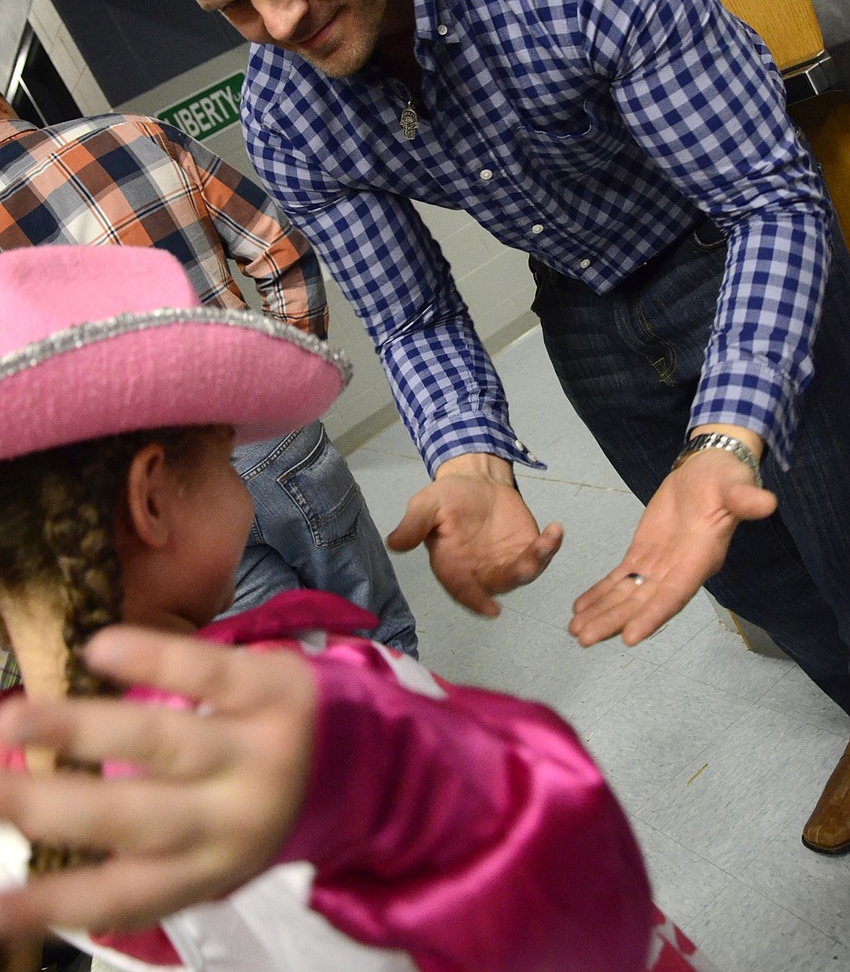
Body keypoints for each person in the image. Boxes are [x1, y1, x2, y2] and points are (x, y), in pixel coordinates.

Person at [130, 0, 850, 850]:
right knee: (752, 577)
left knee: (839, 536)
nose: (278, 20)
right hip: (585, 308)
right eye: (234, 3)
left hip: (730, 244)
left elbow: (767, 197)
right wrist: (468, 460)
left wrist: (726, 432)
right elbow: (414, 317)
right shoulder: (288, 110)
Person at [0, 243, 718, 972]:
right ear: (153, 498)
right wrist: (381, 764)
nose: (241, 490)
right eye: (224, 463)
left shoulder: (18, 779)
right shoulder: (316, 704)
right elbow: (568, 868)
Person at [0, 95, 415, 656]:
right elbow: (280, 247)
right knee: (375, 628)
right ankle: (416, 724)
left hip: (148, 504)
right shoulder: (138, 134)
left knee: (276, 662)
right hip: (264, 434)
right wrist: (275, 391)